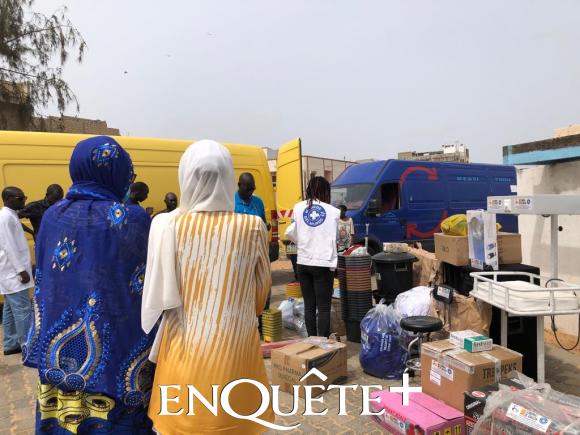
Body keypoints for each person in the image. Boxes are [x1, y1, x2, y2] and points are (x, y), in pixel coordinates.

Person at [22, 136, 156, 434]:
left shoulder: (53, 215)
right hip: (119, 354)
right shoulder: (133, 219)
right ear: (118, 173)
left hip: (58, 353)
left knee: (64, 422)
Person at [142, 140, 273, 434]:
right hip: (237, 350)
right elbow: (260, 294)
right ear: (228, 177)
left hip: (183, 350)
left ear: (186, 177)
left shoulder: (167, 226)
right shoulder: (252, 227)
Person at [286, 176, 340, 338]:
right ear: (326, 191)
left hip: (303, 261)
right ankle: (322, 343)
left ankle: (311, 341)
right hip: (323, 263)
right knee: (323, 308)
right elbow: (336, 237)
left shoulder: (298, 207)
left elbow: (292, 231)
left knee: (309, 306)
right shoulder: (334, 211)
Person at [234, 172, 272, 335]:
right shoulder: (231, 202)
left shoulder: (258, 202)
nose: (251, 192)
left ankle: (262, 325)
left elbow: (262, 222)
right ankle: (244, 327)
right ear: (239, 185)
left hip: (259, 253)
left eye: (253, 189)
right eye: (248, 189)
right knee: (243, 291)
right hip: (240, 255)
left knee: (264, 286)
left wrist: (265, 226)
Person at [0, 186, 33, 356]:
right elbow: (8, 246)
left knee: (9, 310)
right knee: (22, 310)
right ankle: (28, 346)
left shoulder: (11, 215)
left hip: (11, 272)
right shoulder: (5, 217)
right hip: (14, 273)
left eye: (24, 197)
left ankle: (11, 344)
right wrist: (21, 270)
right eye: (20, 198)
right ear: (8, 199)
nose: (24, 201)